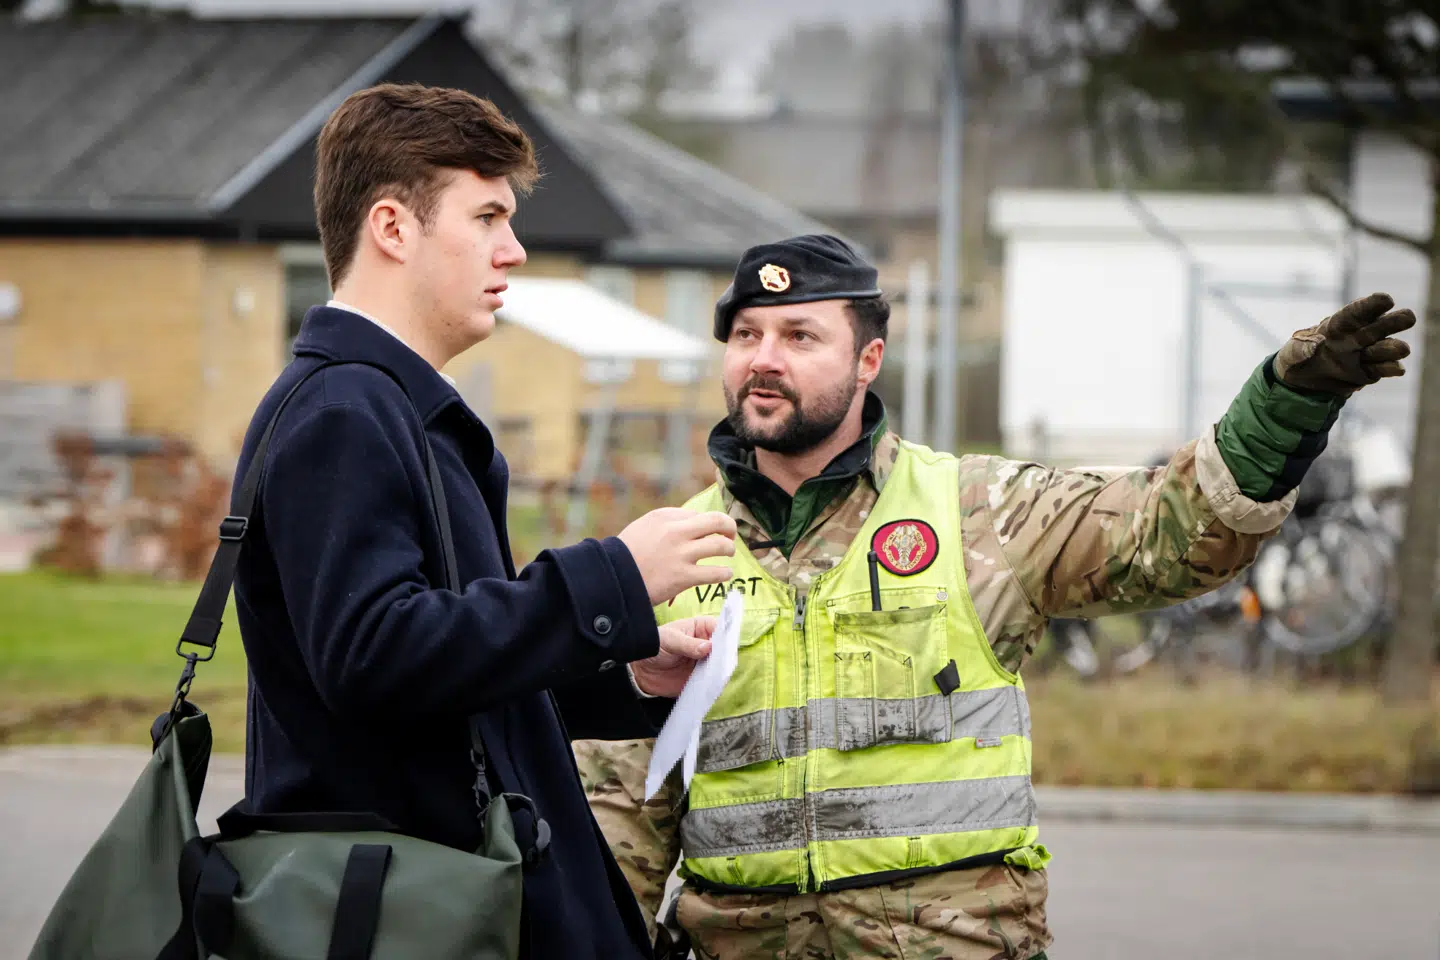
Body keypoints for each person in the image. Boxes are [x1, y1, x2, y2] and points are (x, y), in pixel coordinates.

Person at [573, 234, 1414, 959]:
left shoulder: (979, 511)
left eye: (799, 335)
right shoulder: (669, 552)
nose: (763, 357)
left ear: (869, 359)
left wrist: (1287, 403)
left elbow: (1174, 531)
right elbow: (618, 816)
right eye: (746, 334)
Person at [231, 82, 738, 960]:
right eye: (487, 217)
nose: (514, 250)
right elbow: (374, 655)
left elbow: (457, 665)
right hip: (410, 913)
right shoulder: (347, 412)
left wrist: (625, 668)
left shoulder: (387, 405)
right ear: (393, 228)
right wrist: (611, 575)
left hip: (429, 899)